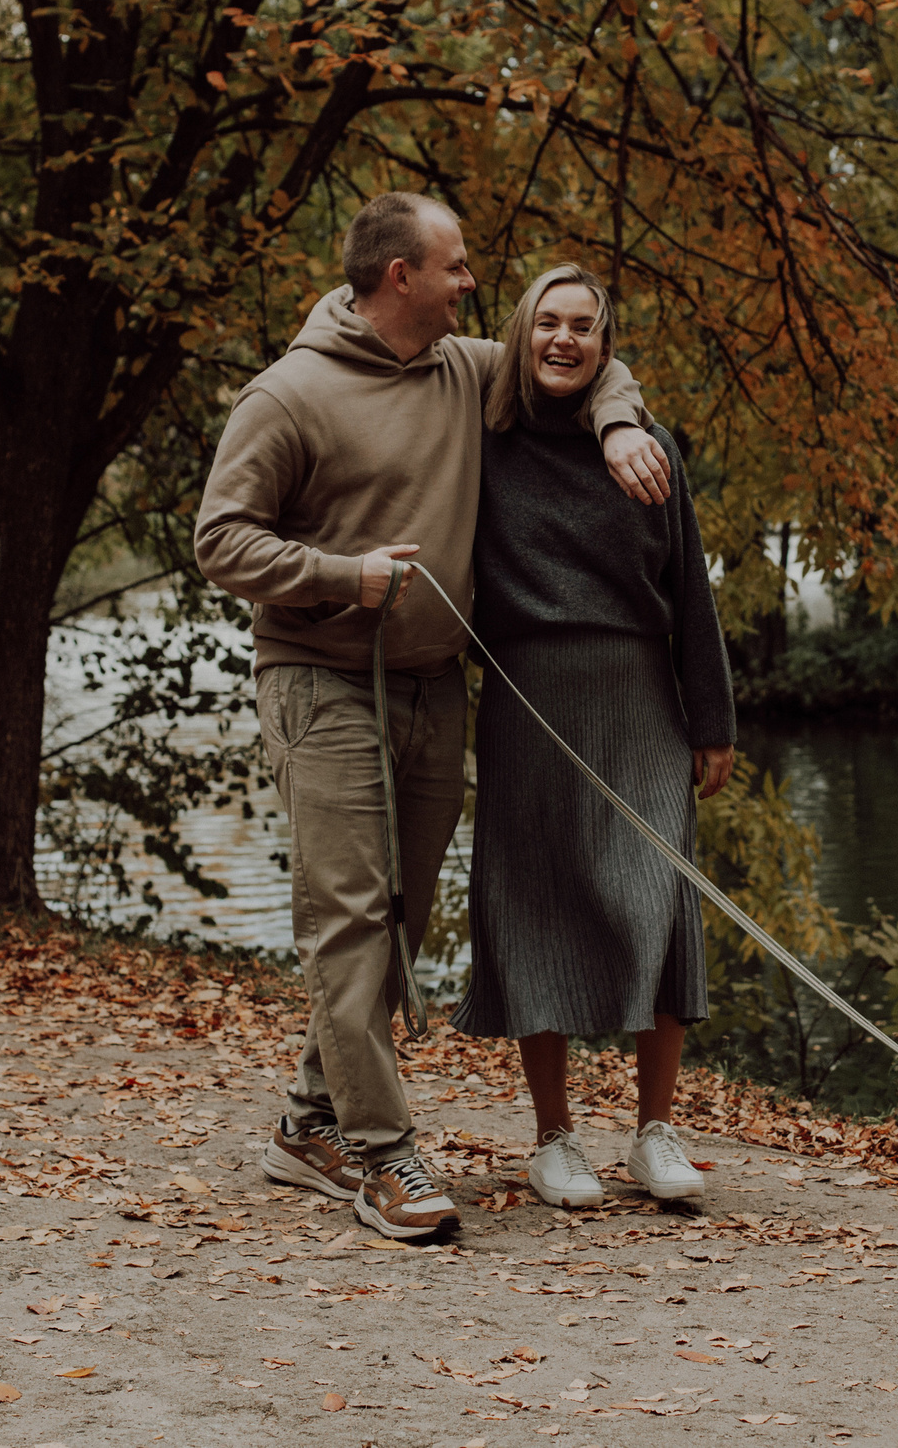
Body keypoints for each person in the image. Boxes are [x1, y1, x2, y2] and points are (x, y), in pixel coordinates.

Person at [193, 196, 671, 1241]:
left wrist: (620, 415)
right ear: (399, 276)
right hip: (321, 685)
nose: (471, 285)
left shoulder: (464, 372)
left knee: (401, 919)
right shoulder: (289, 395)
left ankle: (307, 1122)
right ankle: (380, 1155)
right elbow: (220, 539)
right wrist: (337, 575)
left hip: (434, 687)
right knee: (352, 916)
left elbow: (578, 358)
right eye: (455, 267)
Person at [449, 263, 736, 1208]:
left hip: (641, 696)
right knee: (537, 901)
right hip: (528, 698)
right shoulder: (482, 440)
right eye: (547, 323)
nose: (564, 339)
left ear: (608, 348)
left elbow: (690, 589)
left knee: (655, 897)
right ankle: (553, 1137)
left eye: (584, 326)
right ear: (520, 334)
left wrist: (712, 715)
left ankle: (655, 1131)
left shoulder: (651, 449)